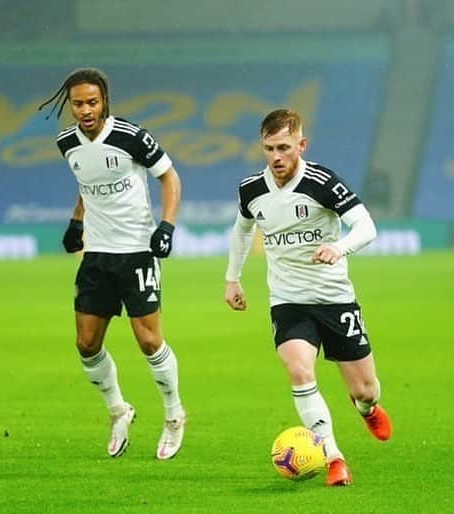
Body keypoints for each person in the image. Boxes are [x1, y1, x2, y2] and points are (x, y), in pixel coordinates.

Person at [223, 109, 393, 486]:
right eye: (269, 148)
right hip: (288, 300)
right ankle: (334, 457)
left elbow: (366, 226)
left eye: (284, 147)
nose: (276, 157)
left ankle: (366, 407)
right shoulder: (251, 189)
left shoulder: (322, 182)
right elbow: (241, 231)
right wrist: (232, 279)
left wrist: (339, 248)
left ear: (301, 145)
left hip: (334, 299)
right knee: (300, 371)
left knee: (365, 388)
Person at [39, 68, 187, 460]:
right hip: (97, 254)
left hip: (137, 249)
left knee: (149, 341)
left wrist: (167, 226)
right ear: (69, 105)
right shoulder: (66, 142)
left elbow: (170, 178)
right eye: (78, 103)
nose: (85, 110)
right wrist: (76, 220)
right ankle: (119, 410)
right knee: (87, 344)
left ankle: (174, 416)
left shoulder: (131, 136)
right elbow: (88, 185)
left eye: (92, 102)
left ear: (105, 100)